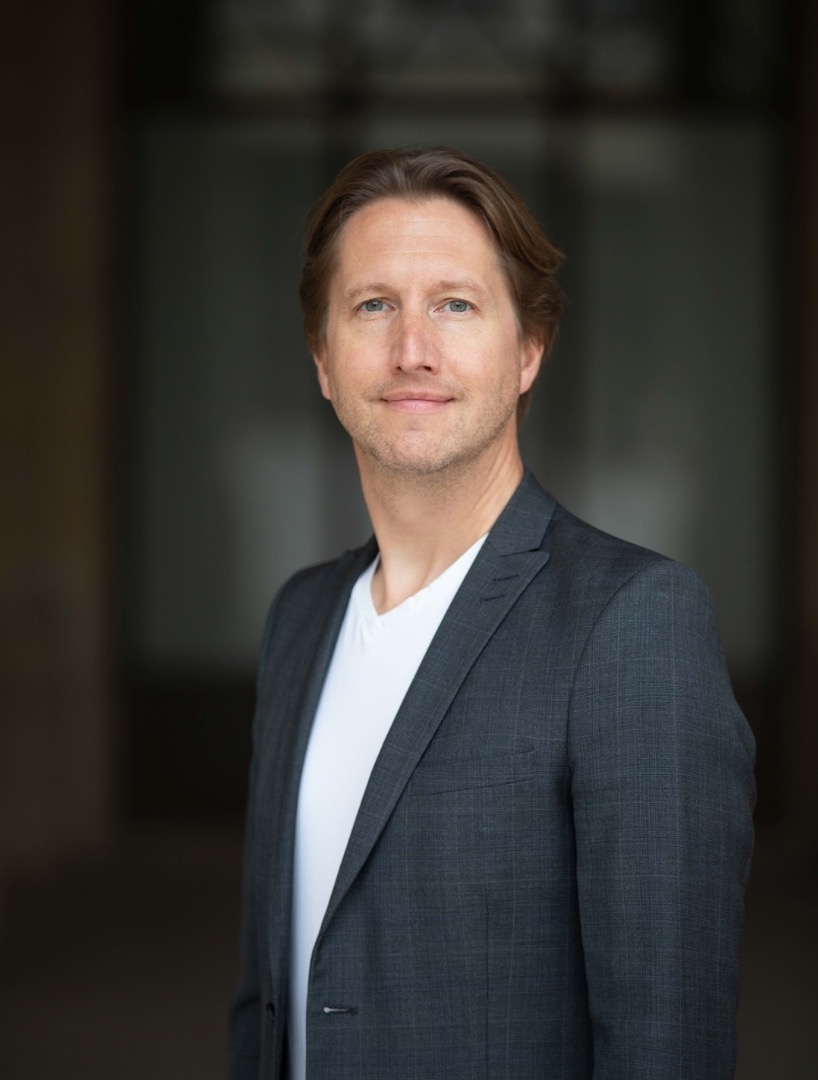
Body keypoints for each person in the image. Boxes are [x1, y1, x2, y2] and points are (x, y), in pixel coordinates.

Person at [228, 146, 755, 1080]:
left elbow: (664, 1042)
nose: (412, 349)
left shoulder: (635, 625)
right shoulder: (299, 620)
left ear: (528, 353)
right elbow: (263, 1001)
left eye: (456, 305)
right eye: (373, 305)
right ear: (321, 358)